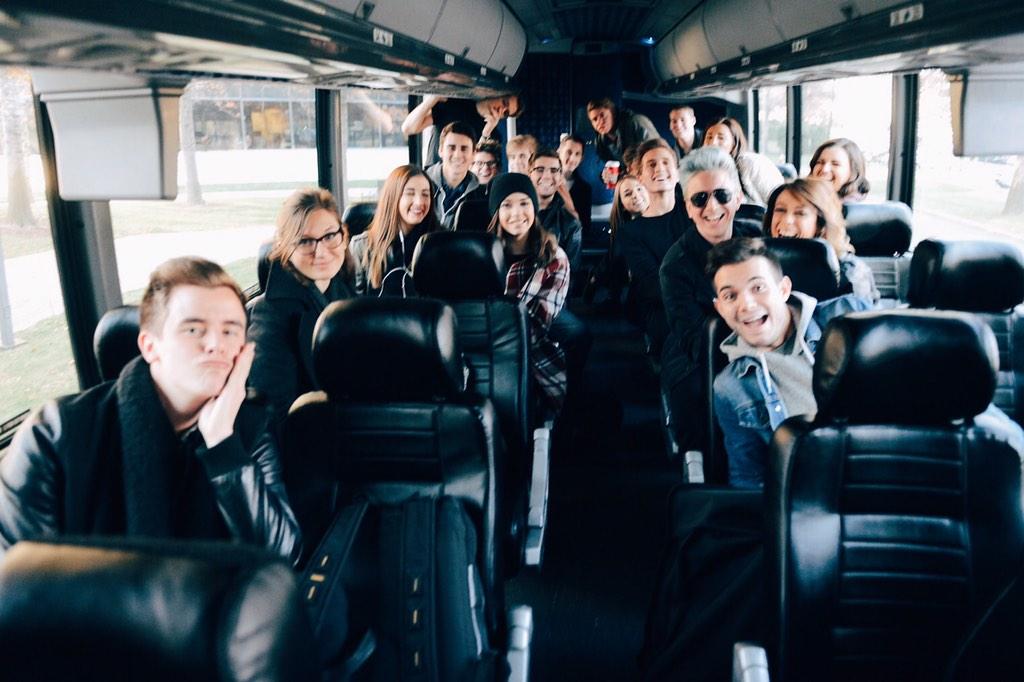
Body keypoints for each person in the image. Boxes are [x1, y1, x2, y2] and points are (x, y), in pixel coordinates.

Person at [0, 257, 302, 561]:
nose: (215, 344)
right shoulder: (57, 433)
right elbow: (18, 576)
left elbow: (284, 557)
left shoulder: (250, 425)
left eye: (230, 331)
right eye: (194, 329)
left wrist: (223, 447)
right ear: (149, 346)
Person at [708, 238, 872, 488]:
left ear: (784, 289)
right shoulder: (730, 387)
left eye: (758, 287)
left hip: (878, 465)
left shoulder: (848, 317)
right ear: (720, 308)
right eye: (730, 296)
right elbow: (748, 477)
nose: (747, 305)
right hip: (814, 493)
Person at [659, 146, 761, 452]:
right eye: (699, 199)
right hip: (698, 354)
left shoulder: (759, 241)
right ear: (688, 208)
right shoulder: (675, 265)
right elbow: (695, 340)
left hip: (764, 342)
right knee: (698, 396)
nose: (712, 206)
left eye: (722, 195)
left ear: (738, 198)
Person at [249, 188, 354, 420]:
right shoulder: (270, 313)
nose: (320, 252)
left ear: (344, 236)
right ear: (286, 249)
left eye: (329, 236)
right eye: (305, 241)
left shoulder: (345, 294)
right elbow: (273, 412)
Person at [487, 173, 570, 415]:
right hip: (487, 340)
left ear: (534, 207)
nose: (517, 213)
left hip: (530, 339)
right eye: (507, 205)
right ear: (496, 212)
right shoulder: (481, 253)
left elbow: (538, 321)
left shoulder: (554, 256)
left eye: (524, 203)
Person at [616, 139, 689, 351]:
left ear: (677, 173)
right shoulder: (630, 232)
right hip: (662, 308)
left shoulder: (695, 213)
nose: (660, 169)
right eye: (651, 164)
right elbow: (653, 285)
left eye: (666, 162)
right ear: (640, 177)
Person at [766, 178, 879, 302]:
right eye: (780, 210)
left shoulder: (852, 274)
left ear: (821, 224)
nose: (787, 220)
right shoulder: (757, 262)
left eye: (800, 213)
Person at [351, 165, 442, 297]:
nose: (419, 202)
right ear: (393, 197)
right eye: (410, 193)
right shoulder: (362, 246)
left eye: (425, 194)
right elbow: (355, 302)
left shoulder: (440, 243)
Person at [401, 93, 522, 165]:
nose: (501, 110)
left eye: (506, 113)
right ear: (497, 93)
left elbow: (479, 169)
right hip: (434, 178)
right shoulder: (455, 103)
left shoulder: (493, 136)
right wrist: (433, 99)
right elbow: (408, 128)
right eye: (504, 102)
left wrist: (486, 133)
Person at [703, 117, 784, 206]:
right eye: (709, 137)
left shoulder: (750, 163)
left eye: (721, 138)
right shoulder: (704, 169)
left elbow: (779, 201)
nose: (713, 142)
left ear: (734, 143)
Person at [530, 147, 583, 272]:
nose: (547, 176)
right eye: (540, 169)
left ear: (560, 177)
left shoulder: (571, 223)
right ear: (529, 174)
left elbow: (571, 271)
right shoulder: (517, 214)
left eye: (554, 170)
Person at [424, 121, 480, 228]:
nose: (457, 155)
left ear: (473, 154)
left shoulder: (481, 195)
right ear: (440, 150)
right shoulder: (421, 184)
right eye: (451, 147)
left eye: (464, 148)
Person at [587, 97, 660, 165]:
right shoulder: (601, 143)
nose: (599, 122)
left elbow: (658, 153)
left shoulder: (636, 122)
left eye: (602, 115)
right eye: (595, 119)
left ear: (613, 113)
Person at [809, 137, 870, 202]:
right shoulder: (812, 200)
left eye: (835, 164)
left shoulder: (848, 206)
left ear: (853, 172)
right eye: (820, 162)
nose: (824, 169)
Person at [558, 133, 593, 236]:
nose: (572, 158)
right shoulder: (547, 182)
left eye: (577, 154)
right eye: (568, 152)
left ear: (581, 159)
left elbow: (585, 226)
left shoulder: (585, 189)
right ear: (559, 152)